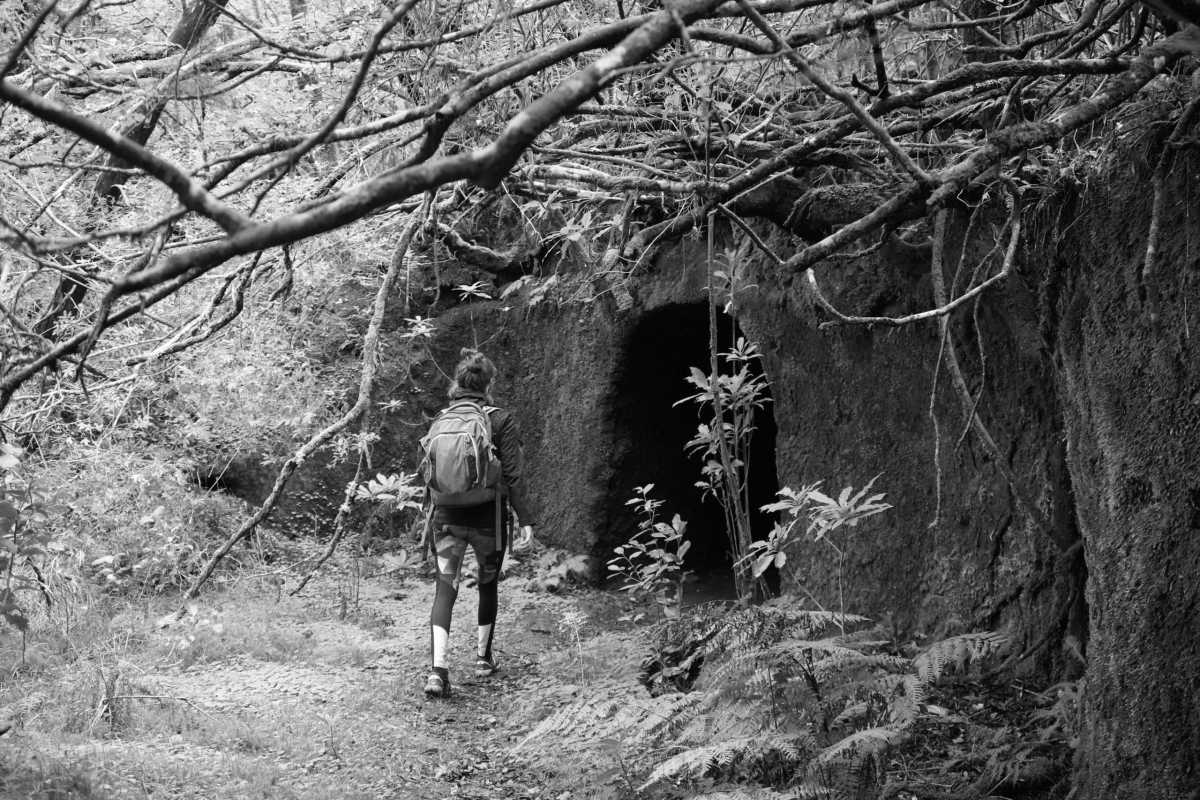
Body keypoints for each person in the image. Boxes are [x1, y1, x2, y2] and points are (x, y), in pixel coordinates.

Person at [422, 349, 535, 698]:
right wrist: (525, 519)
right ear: (489, 384)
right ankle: (484, 659)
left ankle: (437, 672)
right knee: (488, 586)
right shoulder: (500, 420)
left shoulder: (441, 419)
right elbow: (513, 475)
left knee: (445, 589)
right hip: (489, 519)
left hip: (446, 519)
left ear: (458, 382)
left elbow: (427, 471)